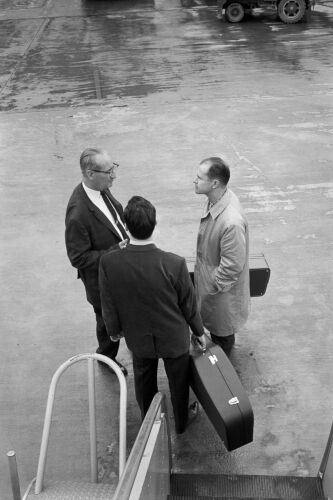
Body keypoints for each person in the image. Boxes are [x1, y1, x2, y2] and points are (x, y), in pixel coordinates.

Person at [99, 196, 206, 434]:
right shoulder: (174, 264)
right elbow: (189, 305)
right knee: (179, 382)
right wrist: (199, 332)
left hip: (139, 338)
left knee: (144, 382)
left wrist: (114, 331)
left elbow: (109, 303)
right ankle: (181, 422)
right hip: (173, 337)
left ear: (126, 226)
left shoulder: (109, 263)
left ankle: (150, 427)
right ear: (154, 224)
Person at [65, 147, 128, 375]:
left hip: (118, 270)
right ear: (90, 174)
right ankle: (106, 357)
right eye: (108, 171)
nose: (114, 175)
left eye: (114, 168)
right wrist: (115, 250)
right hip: (101, 282)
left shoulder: (100, 188)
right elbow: (78, 257)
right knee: (106, 321)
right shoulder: (78, 213)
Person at [193, 156, 250, 356]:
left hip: (220, 297)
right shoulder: (217, 199)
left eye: (199, 178)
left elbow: (232, 266)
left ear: (215, 183)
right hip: (210, 289)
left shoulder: (230, 222)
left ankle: (224, 379)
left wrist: (212, 284)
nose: (194, 181)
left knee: (222, 341)